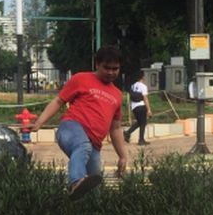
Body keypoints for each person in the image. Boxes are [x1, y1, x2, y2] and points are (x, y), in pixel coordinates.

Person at [30, 47, 130, 199]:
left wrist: (122, 156)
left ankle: (86, 213)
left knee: (93, 188)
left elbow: (115, 128)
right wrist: (39, 123)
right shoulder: (81, 78)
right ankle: (75, 181)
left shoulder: (117, 94)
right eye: (106, 68)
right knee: (82, 146)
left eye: (115, 68)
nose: (111, 72)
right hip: (70, 128)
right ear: (97, 64)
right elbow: (58, 101)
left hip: (94, 146)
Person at [123, 70, 152, 145]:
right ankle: (141, 140)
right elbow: (145, 98)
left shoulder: (133, 85)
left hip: (134, 107)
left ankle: (127, 133)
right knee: (143, 123)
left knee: (139, 122)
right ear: (142, 77)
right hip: (141, 106)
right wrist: (149, 109)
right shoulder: (143, 86)